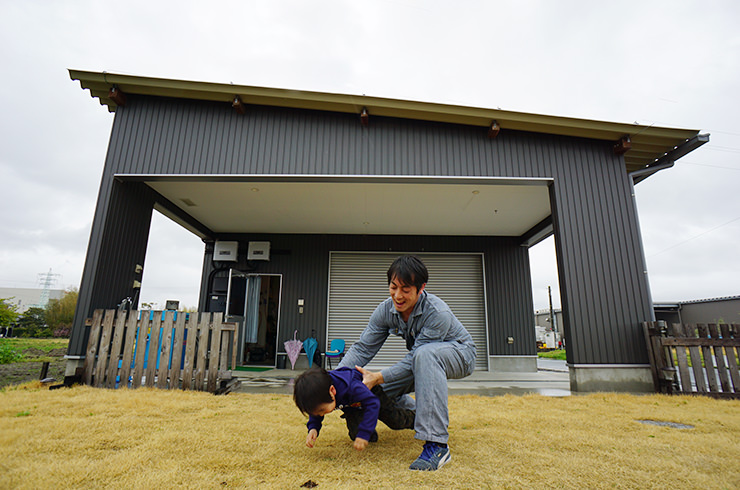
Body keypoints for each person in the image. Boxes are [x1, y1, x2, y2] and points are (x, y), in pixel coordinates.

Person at [338, 255, 477, 471]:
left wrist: (378, 376)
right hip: (423, 359)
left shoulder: (437, 312)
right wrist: (336, 380)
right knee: (363, 387)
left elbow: (416, 358)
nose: (397, 295)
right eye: (393, 287)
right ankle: (409, 417)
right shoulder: (385, 310)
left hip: (461, 354)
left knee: (424, 355)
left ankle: (437, 445)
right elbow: (363, 348)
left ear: (421, 288)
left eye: (405, 289)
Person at [293, 366, 415, 451]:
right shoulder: (321, 393)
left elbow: (373, 403)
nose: (320, 414)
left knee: (395, 421)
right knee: (355, 434)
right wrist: (313, 428)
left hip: (371, 396)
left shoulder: (352, 386)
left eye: (322, 411)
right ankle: (370, 435)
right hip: (351, 406)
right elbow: (315, 411)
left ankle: (417, 419)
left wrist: (364, 432)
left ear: (332, 391)